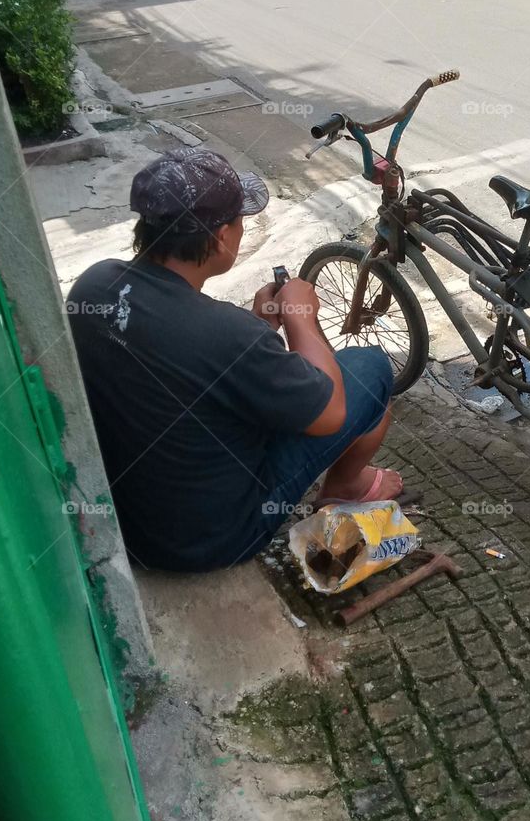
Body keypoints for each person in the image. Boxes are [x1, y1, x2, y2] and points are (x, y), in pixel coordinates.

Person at [67, 147, 401, 572]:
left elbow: (188, 354)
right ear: (221, 237)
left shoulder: (94, 285)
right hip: (211, 541)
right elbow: (331, 412)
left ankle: (346, 482)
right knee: (369, 366)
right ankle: (346, 487)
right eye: (241, 221)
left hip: (125, 518)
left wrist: (260, 327)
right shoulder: (226, 334)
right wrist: (301, 317)